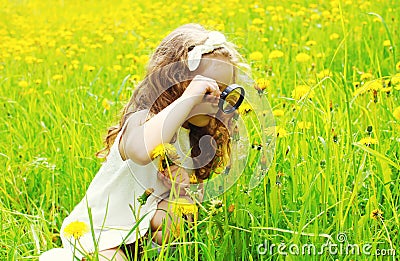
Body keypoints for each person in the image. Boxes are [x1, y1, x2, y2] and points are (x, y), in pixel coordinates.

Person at [40, 23, 246, 260]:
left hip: (140, 229)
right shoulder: (141, 120)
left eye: (224, 93)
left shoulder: (191, 137)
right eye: (207, 90)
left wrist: (183, 191)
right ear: (175, 83)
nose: (215, 102)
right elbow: (140, 151)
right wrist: (190, 97)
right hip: (101, 230)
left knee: (182, 213)